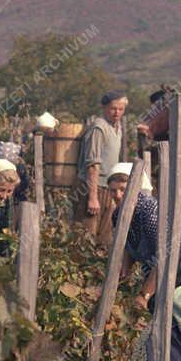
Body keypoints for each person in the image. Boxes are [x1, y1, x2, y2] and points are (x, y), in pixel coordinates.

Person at [106, 164, 181, 308]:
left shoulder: (150, 211)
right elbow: (128, 244)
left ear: (135, 189)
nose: (118, 195)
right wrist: (124, 273)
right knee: (159, 305)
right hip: (157, 262)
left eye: (123, 189)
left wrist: (144, 295)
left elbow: (164, 258)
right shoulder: (117, 215)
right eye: (113, 190)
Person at [74, 90, 128, 245]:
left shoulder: (117, 128)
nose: (117, 112)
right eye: (113, 108)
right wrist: (92, 198)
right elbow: (92, 165)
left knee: (104, 237)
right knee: (86, 236)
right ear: (104, 108)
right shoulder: (99, 128)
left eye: (121, 109)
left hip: (107, 189)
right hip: (92, 188)